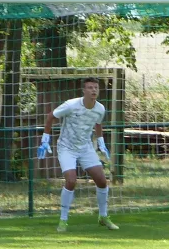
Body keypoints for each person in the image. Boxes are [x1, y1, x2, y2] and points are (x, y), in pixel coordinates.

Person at [37, 77, 119, 232]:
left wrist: (101, 142)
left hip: (86, 148)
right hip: (67, 148)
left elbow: (98, 123)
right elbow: (50, 116)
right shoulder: (71, 105)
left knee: (102, 181)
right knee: (71, 181)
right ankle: (63, 220)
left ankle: (103, 216)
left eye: (95, 87)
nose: (93, 90)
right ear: (84, 90)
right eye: (90, 87)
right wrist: (45, 139)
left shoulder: (100, 108)